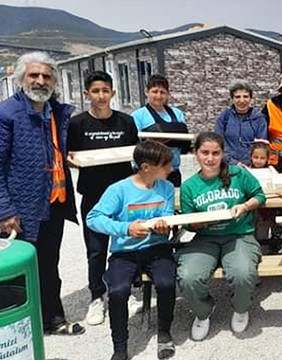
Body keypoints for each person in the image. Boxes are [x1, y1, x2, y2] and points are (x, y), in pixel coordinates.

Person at [0, 52, 84, 335]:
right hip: (20, 208)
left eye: (46, 76)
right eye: (34, 75)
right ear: (21, 78)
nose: (40, 80)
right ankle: (18, 328)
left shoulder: (57, 111)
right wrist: (5, 210)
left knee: (49, 265)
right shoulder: (7, 113)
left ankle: (53, 320)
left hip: (53, 203)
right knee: (19, 269)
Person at [86, 141, 176, 360]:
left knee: (166, 283)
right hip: (124, 253)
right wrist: (125, 228)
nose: (171, 169)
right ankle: (120, 347)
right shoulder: (118, 190)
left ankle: (164, 333)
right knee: (117, 291)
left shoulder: (166, 187)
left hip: (157, 248)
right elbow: (93, 218)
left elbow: (168, 218)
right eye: (165, 165)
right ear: (146, 167)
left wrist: (164, 226)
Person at [177, 132, 265, 340]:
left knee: (243, 273)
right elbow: (190, 224)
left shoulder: (238, 174)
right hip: (205, 237)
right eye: (204, 152)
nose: (210, 158)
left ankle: (241, 308)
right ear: (195, 154)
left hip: (239, 234)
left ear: (223, 154)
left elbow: (259, 196)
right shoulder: (189, 186)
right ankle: (203, 311)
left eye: (215, 153)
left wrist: (244, 206)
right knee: (188, 276)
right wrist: (203, 221)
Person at [68, 70, 139, 326]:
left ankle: (126, 292)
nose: (101, 96)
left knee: (125, 246)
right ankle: (96, 297)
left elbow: (134, 155)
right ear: (87, 94)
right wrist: (73, 160)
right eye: (95, 91)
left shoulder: (126, 122)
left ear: (113, 93)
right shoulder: (77, 124)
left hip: (123, 195)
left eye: (105, 91)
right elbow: (69, 155)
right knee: (96, 250)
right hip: (93, 196)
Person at [131, 74, 187, 186]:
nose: (158, 96)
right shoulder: (138, 116)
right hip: (148, 172)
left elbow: (184, 141)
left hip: (172, 170)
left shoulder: (177, 114)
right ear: (147, 92)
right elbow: (134, 144)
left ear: (168, 94)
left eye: (162, 92)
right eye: (155, 91)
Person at [214, 80, 268, 165]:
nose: (242, 100)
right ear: (232, 99)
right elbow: (218, 144)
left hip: (251, 167)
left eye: (245, 96)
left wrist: (249, 162)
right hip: (228, 166)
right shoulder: (224, 117)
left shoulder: (259, 119)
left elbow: (261, 147)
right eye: (237, 97)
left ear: (251, 98)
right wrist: (232, 162)